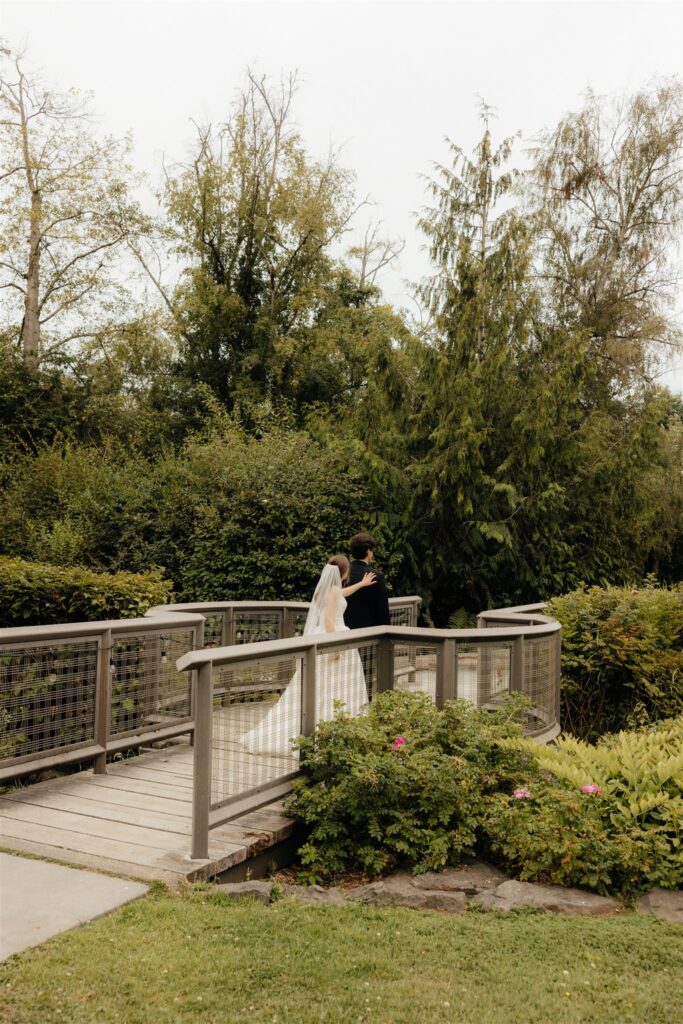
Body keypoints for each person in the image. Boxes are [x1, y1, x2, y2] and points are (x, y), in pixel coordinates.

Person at [242, 556, 377, 756]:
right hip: (334, 636)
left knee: (324, 685)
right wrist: (336, 646)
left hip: (325, 635)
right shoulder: (333, 590)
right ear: (344, 572)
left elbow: (342, 594)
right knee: (334, 686)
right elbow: (329, 620)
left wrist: (361, 584)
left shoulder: (329, 589)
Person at [344, 532, 391, 629]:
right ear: (368, 551)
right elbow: (382, 610)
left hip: (345, 630)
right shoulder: (376, 576)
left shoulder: (343, 573)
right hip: (369, 631)